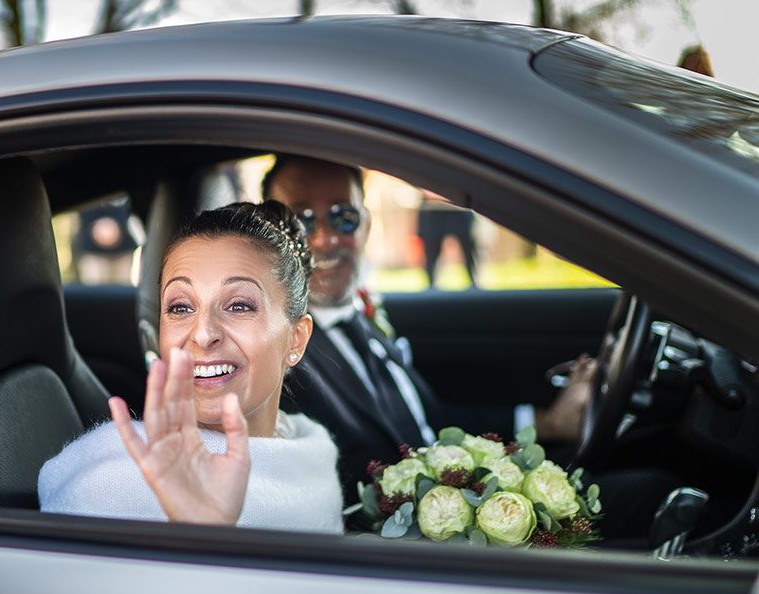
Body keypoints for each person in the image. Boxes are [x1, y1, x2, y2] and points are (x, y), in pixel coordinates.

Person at [263, 156, 675, 541]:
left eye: (343, 217)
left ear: (366, 225)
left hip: (458, 497)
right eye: (301, 221)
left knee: (657, 481)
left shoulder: (358, 315)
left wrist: (548, 422)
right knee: (652, 498)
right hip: (412, 543)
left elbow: (429, 422)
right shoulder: (279, 358)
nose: (325, 238)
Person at [39, 201, 344, 533]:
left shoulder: (311, 452)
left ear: (296, 340)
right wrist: (201, 531)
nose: (203, 334)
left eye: (239, 305)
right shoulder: (111, 482)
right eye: (181, 307)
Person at [417, 189, 478, 288]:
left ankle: (475, 289)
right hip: (433, 209)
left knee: (470, 251)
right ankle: (431, 290)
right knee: (431, 254)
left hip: (461, 207)